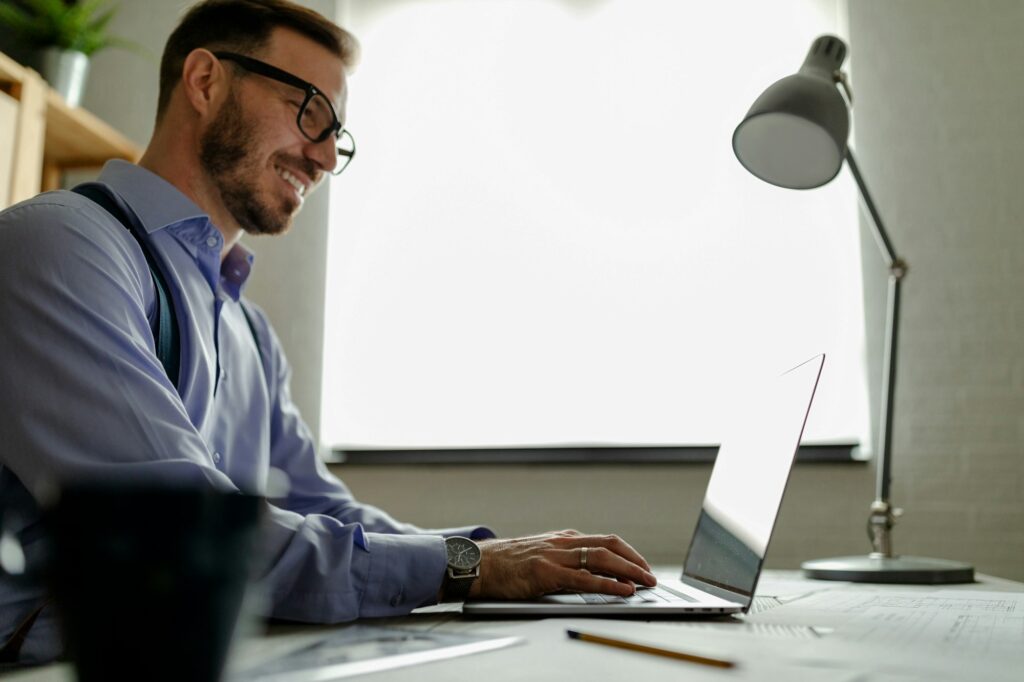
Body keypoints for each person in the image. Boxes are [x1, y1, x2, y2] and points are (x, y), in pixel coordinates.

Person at [0, 0, 655, 664]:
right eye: (308, 110)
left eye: (334, 135)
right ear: (205, 82)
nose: (321, 157)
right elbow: (188, 535)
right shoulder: (61, 249)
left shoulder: (249, 333)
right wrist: (470, 566)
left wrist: (507, 558)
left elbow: (326, 512)